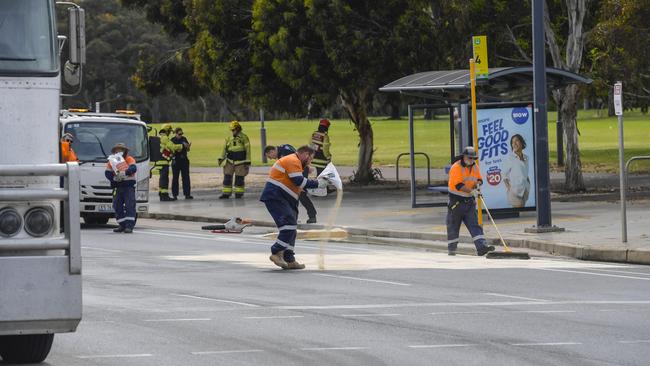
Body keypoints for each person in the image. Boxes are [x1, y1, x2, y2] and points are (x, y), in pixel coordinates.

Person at [261, 145, 328, 269]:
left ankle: (289, 259)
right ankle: (276, 252)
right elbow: (299, 181)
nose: (310, 162)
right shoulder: (293, 160)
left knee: (292, 229)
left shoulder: (295, 161)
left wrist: (315, 186)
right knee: (289, 225)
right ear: (306, 155)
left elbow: (297, 183)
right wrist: (318, 183)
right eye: (310, 158)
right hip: (276, 196)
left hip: (284, 198)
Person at [446, 146, 495, 256]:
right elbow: (459, 185)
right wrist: (472, 192)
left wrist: (478, 185)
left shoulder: (475, 166)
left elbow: (479, 179)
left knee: (474, 224)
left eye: (473, 158)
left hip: (469, 202)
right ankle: (452, 249)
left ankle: (481, 247)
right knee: (453, 226)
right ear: (464, 157)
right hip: (456, 203)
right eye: (470, 158)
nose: (472, 160)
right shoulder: (456, 167)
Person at [265, 144, 318, 224]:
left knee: (300, 195)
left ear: (272, 151)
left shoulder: (284, 152)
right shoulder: (283, 149)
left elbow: (297, 161)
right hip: (297, 171)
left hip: (299, 171)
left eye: (269, 156)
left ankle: (311, 216)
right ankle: (295, 217)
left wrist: (306, 168)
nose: (270, 158)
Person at [105, 143, 137, 233]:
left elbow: (133, 168)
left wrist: (125, 173)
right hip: (117, 187)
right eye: (117, 150)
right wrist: (113, 178)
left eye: (121, 150)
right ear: (114, 152)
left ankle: (129, 226)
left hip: (128, 187)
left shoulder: (129, 159)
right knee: (117, 206)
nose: (119, 152)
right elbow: (107, 173)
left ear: (125, 151)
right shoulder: (111, 161)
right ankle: (122, 225)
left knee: (129, 206)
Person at [218, 121, 250, 199]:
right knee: (227, 178)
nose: (232, 132)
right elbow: (224, 150)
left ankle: (239, 194)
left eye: (233, 130)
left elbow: (248, 150)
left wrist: (247, 162)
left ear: (238, 129)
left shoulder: (244, 138)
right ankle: (226, 193)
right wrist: (221, 158)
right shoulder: (229, 139)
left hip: (241, 162)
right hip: (229, 161)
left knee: (239, 179)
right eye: (231, 130)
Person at [502, 134, 530, 208]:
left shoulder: (526, 158)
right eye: (512, 142)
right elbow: (504, 175)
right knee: (518, 211)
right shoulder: (510, 158)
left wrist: (528, 184)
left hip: (525, 190)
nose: (514, 144)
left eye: (516, 141)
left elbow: (525, 172)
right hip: (515, 192)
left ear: (521, 142)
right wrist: (510, 188)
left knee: (521, 213)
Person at [157, 124, 183, 201]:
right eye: (169, 131)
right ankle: (164, 195)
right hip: (163, 162)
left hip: (159, 162)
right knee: (165, 179)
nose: (170, 133)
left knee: (162, 178)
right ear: (167, 130)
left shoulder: (160, 137)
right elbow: (172, 146)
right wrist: (182, 146)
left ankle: (161, 193)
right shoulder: (165, 138)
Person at [171, 127, 193, 200]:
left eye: (181, 134)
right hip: (176, 160)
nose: (181, 135)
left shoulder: (184, 139)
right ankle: (175, 195)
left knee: (186, 177)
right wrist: (181, 146)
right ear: (176, 134)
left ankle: (187, 194)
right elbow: (172, 149)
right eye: (179, 134)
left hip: (184, 160)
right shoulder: (172, 140)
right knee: (175, 178)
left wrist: (187, 146)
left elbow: (188, 149)